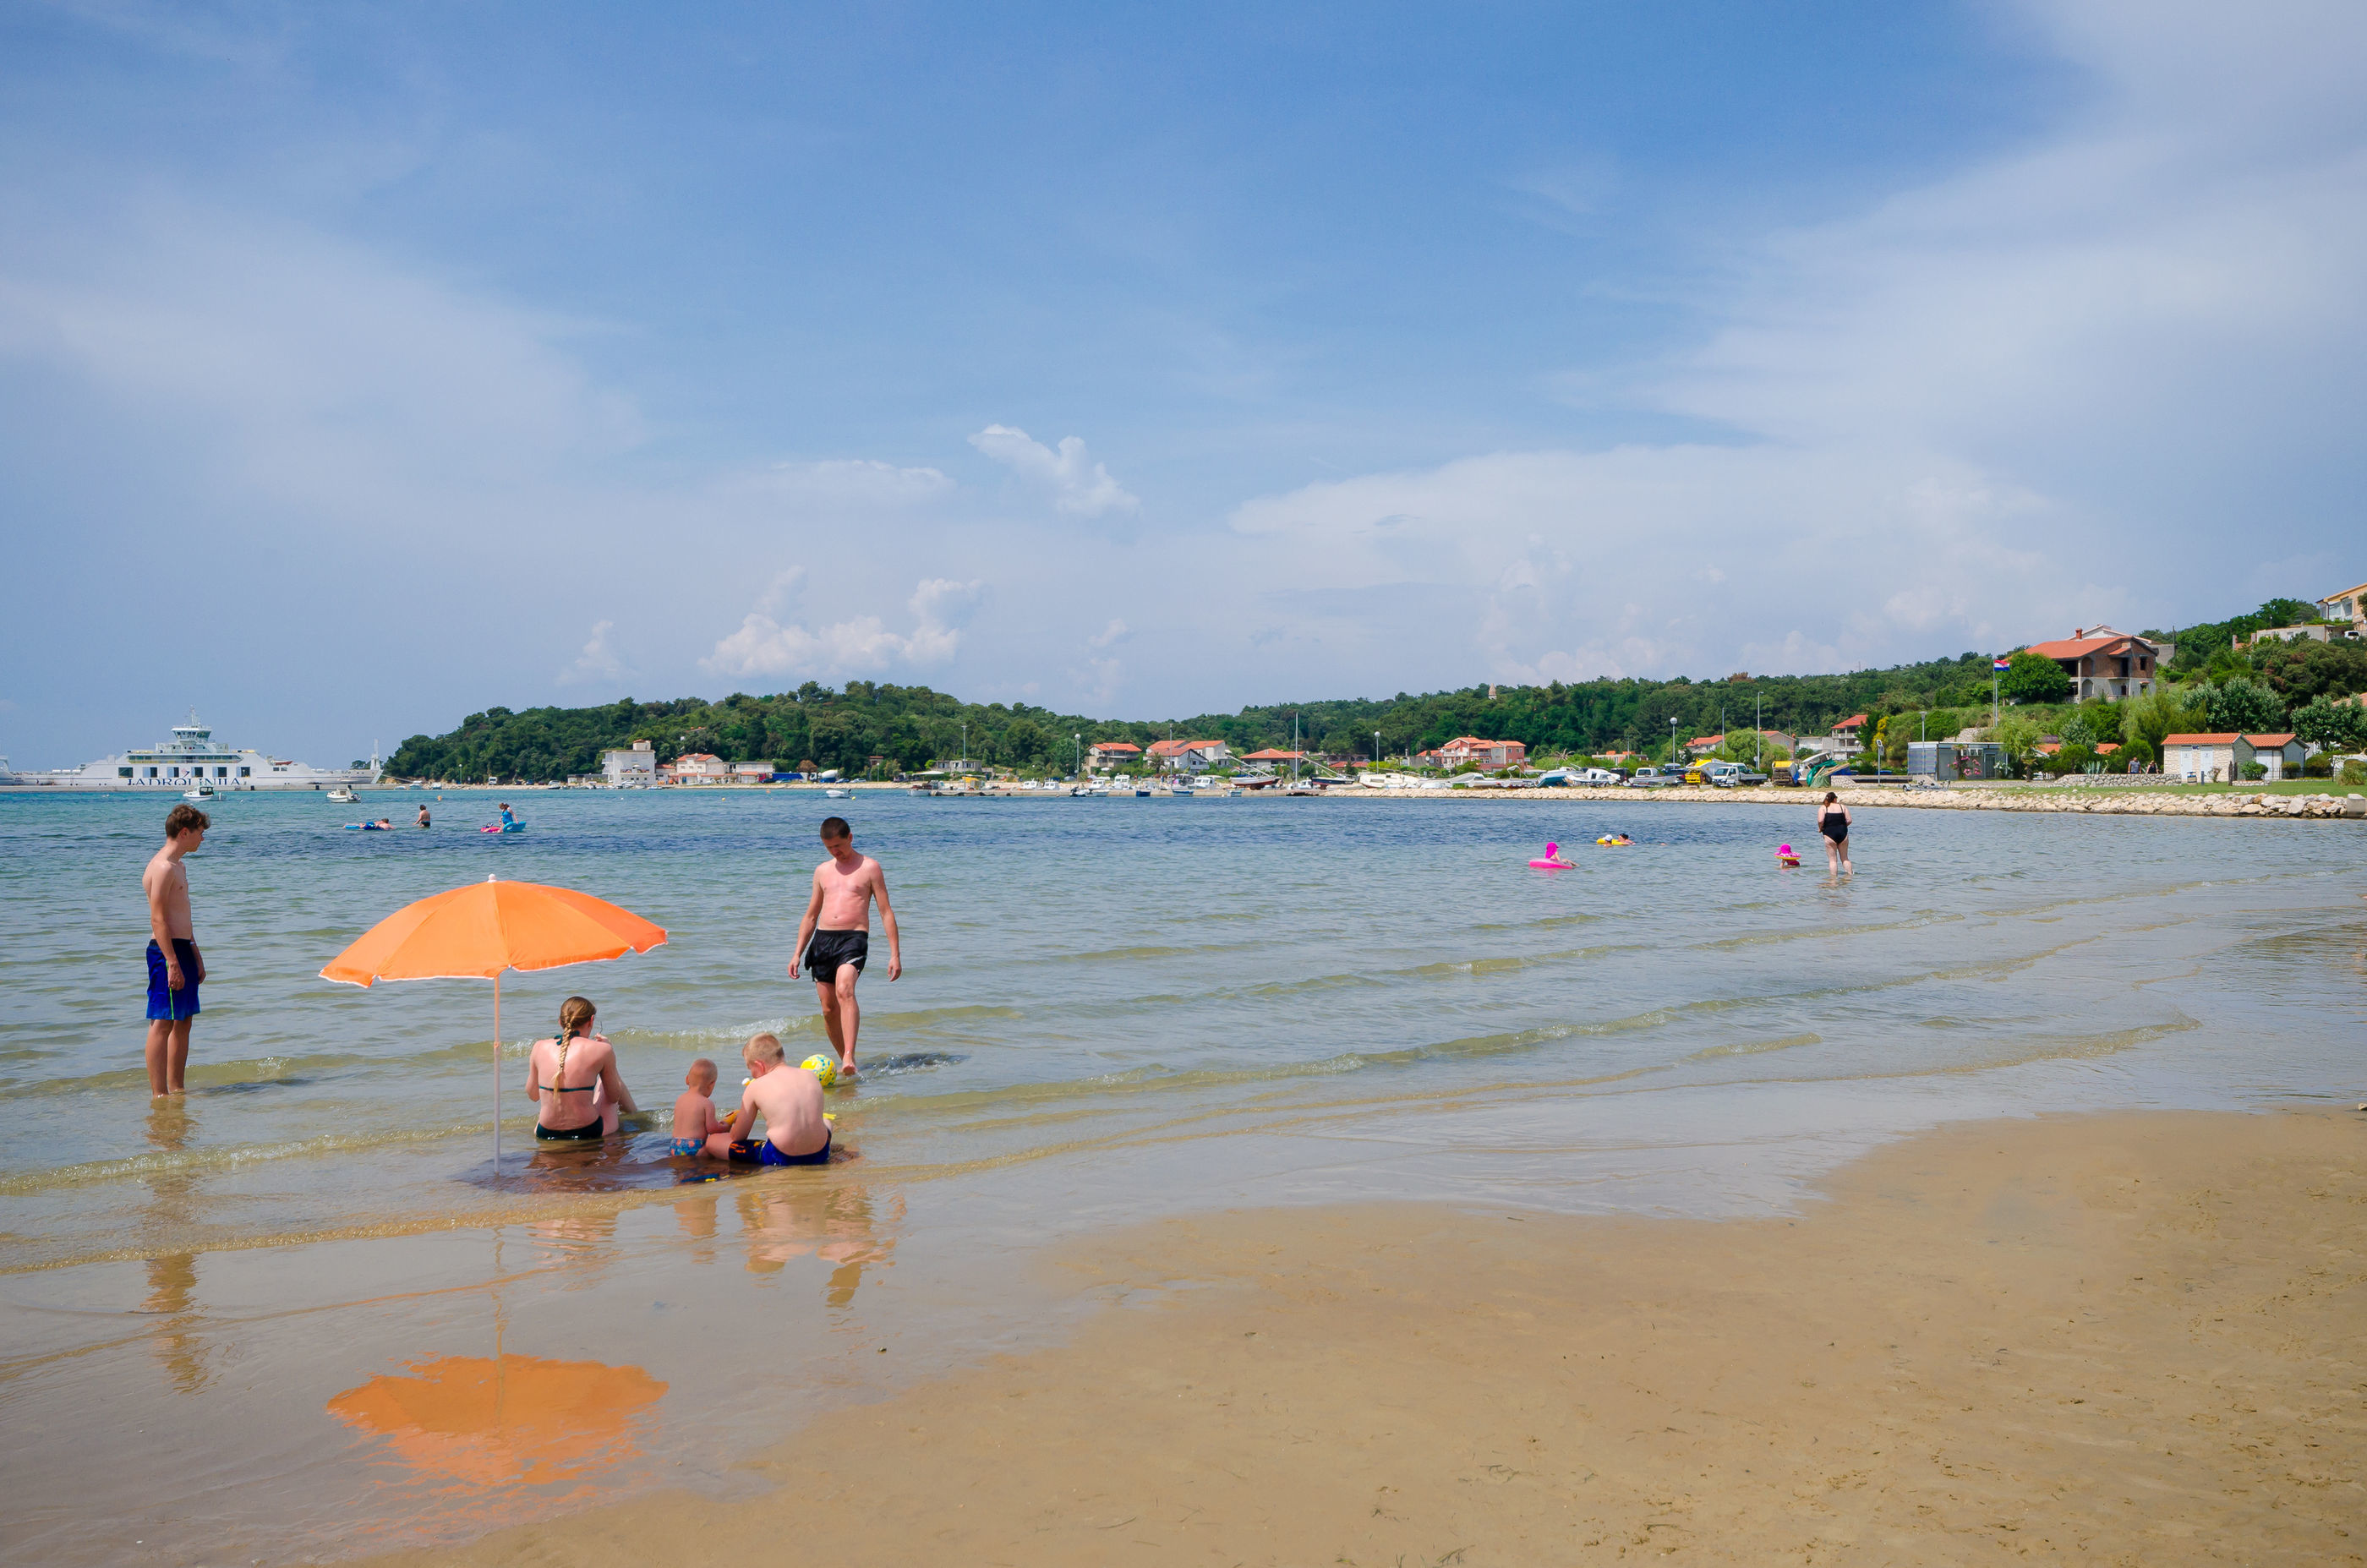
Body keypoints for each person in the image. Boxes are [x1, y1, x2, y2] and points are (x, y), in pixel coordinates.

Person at [789, 816, 901, 1079]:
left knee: (844, 990)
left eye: (838, 846)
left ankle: (849, 1055)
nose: (835, 852)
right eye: (829, 848)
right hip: (822, 940)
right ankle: (847, 1063)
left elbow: (886, 912)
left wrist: (895, 954)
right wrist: (797, 953)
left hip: (854, 938)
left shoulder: (870, 868)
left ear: (850, 838)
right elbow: (811, 915)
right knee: (829, 1008)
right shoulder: (822, 871)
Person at [142, 804, 209, 1097]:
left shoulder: (179, 866)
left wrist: (195, 953)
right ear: (184, 832)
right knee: (163, 1021)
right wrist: (172, 962)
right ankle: (159, 1094)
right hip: (165, 950)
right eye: (199, 833)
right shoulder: (162, 867)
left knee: (184, 1019)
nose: (202, 839)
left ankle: (177, 1089)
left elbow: (181, 915)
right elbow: (158, 919)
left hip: (183, 947)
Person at [525, 996, 639, 1142]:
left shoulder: (539, 1047)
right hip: (589, 1132)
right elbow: (614, 1097)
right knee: (605, 1084)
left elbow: (533, 1095)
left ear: (560, 1021)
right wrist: (609, 1053)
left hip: (545, 1132)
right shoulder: (602, 1050)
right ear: (591, 1021)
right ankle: (636, 1119)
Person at [727, 1033, 832, 1166]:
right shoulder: (810, 1075)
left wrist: (731, 1123)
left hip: (781, 1157)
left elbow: (738, 1137)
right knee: (826, 1121)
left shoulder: (755, 1087)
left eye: (750, 1068)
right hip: (821, 1153)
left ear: (760, 1065)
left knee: (714, 1142)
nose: (752, 1074)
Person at [671, 1057, 732, 1158]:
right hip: (695, 1148)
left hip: (675, 1146)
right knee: (714, 1146)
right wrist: (725, 1126)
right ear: (711, 1085)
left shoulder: (680, 1099)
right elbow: (712, 1129)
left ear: (687, 1080)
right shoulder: (707, 1103)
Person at [1818, 790, 1853, 876]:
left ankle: (1833, 880)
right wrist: (1843, 826)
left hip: (1829, 834)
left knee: (1833, 860)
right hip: (1843, 833)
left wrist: (1820, 828)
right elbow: (1849, 820)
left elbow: (1820, 820)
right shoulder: (1842, 807)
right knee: (1845, 858)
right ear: (1835, 799)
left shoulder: (1823, 808)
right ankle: (1850, 877)